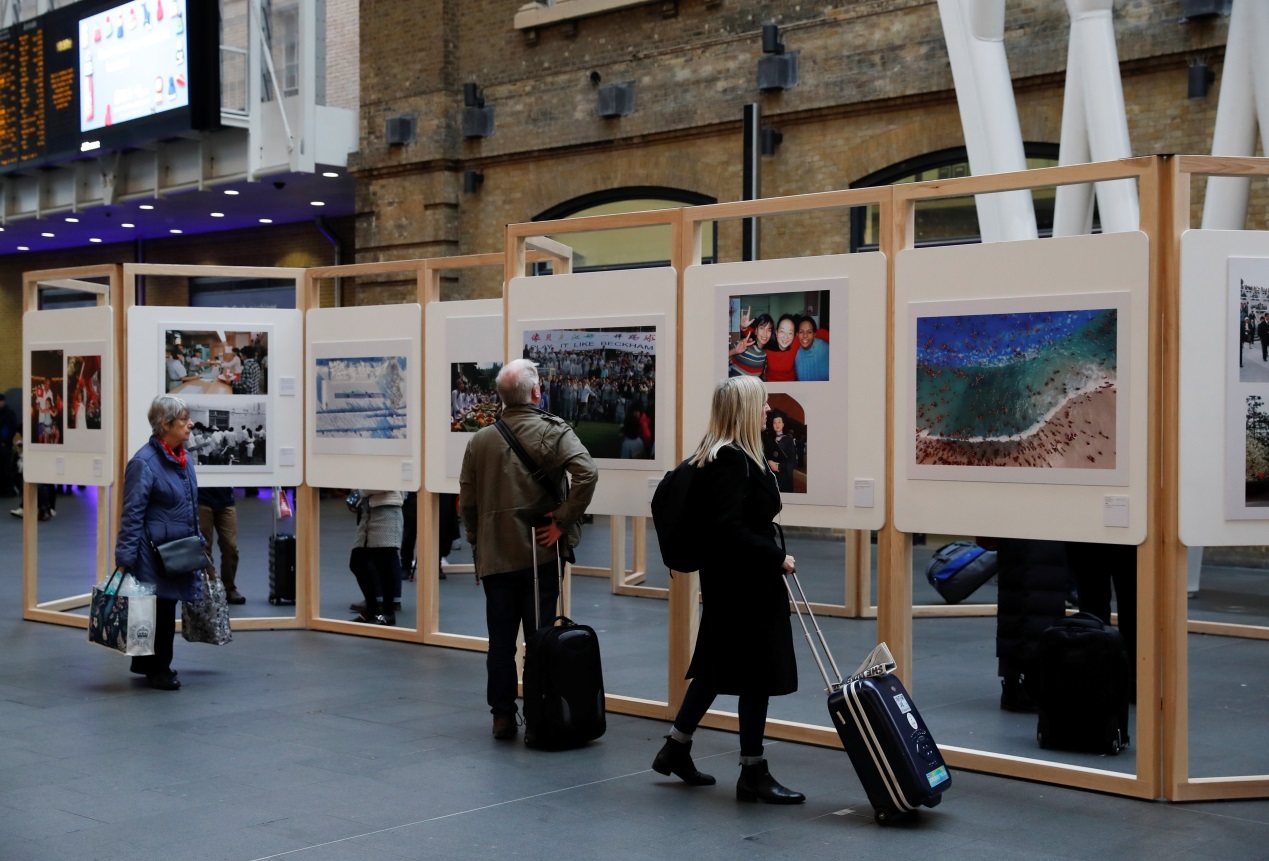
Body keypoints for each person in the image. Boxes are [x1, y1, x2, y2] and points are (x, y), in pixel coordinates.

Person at [650, 375, 804, 804]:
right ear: (743, 411)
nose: (767, 411)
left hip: (728, 580)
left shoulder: (716, 455)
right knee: (757, 673)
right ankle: (752, 771)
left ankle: (676, 746)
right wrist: (776, 557)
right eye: (761, 404)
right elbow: (729, 528)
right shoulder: (732, 461)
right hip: (746, 582)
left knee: (717, 664)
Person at [459, 358, 598, 740]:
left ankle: (502, 716)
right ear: (536, 392)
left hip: (497, 556)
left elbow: (467, 504)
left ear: (500, 397)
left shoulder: (480, 440)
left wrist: (477, 547)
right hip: (539, 555)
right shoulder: (553, 430)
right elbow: (588, 472)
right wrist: (563, 521)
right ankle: (541, 713)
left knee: (500, 643)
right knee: (540, 640)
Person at [113, 395, 205, 691]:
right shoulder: (144, 462)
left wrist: (198, 540)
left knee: (163, 608)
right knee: (161, 611)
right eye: (183, 420)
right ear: (165, 425)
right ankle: (159, 670)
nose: (190, 424)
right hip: (152, 552)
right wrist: (125, 555)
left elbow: (190, 504)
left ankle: (147, 664)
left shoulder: (183, 458)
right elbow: (132, 512)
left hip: (175, 549)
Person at [349, 489, 406, 625]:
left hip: (387, 509)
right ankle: (372, 609)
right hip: (369, 510)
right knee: (357, 562)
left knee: (386, 563)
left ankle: (388, 613)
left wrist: (360, 491)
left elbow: (386, 481)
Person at [198, 486, 245, 604]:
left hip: (226, 498)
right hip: (202, 497)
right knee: (204, 548)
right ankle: (212, 588)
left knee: (231, 546)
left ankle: (229, 588)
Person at [729, 311, 774, 377]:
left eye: (769, 330)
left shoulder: (765, 353)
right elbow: (722, 356)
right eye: (762, 328)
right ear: (756, 331)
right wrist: (735, 351)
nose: (765, 333)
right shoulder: (746, 344)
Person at [764, 411, 797, 493]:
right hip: (772, 474)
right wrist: (769, 462)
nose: (777, 425)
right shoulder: (770, 440)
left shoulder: (788, 440)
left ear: (783, 424)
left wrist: (780, 467)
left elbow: (792, 460)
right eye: (774, 423)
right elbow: (765, 455)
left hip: (784, 475)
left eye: (779, 422)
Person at [794, 315, 830, 381]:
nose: (805, 336)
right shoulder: (796, 355)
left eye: (809, 332)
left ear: (814, 335)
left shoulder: (826, 347)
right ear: (797, 334)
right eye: (801, 332)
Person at [764, 314, 799, 382]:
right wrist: (744, 328)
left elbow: (816, 333)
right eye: (782, 331)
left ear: (794, 335)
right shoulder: (768, 343)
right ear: (776, 333)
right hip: (771, 385)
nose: (785, 337)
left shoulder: (796, 342)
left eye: (790, 333)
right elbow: (757, 335)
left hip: (789, 386)